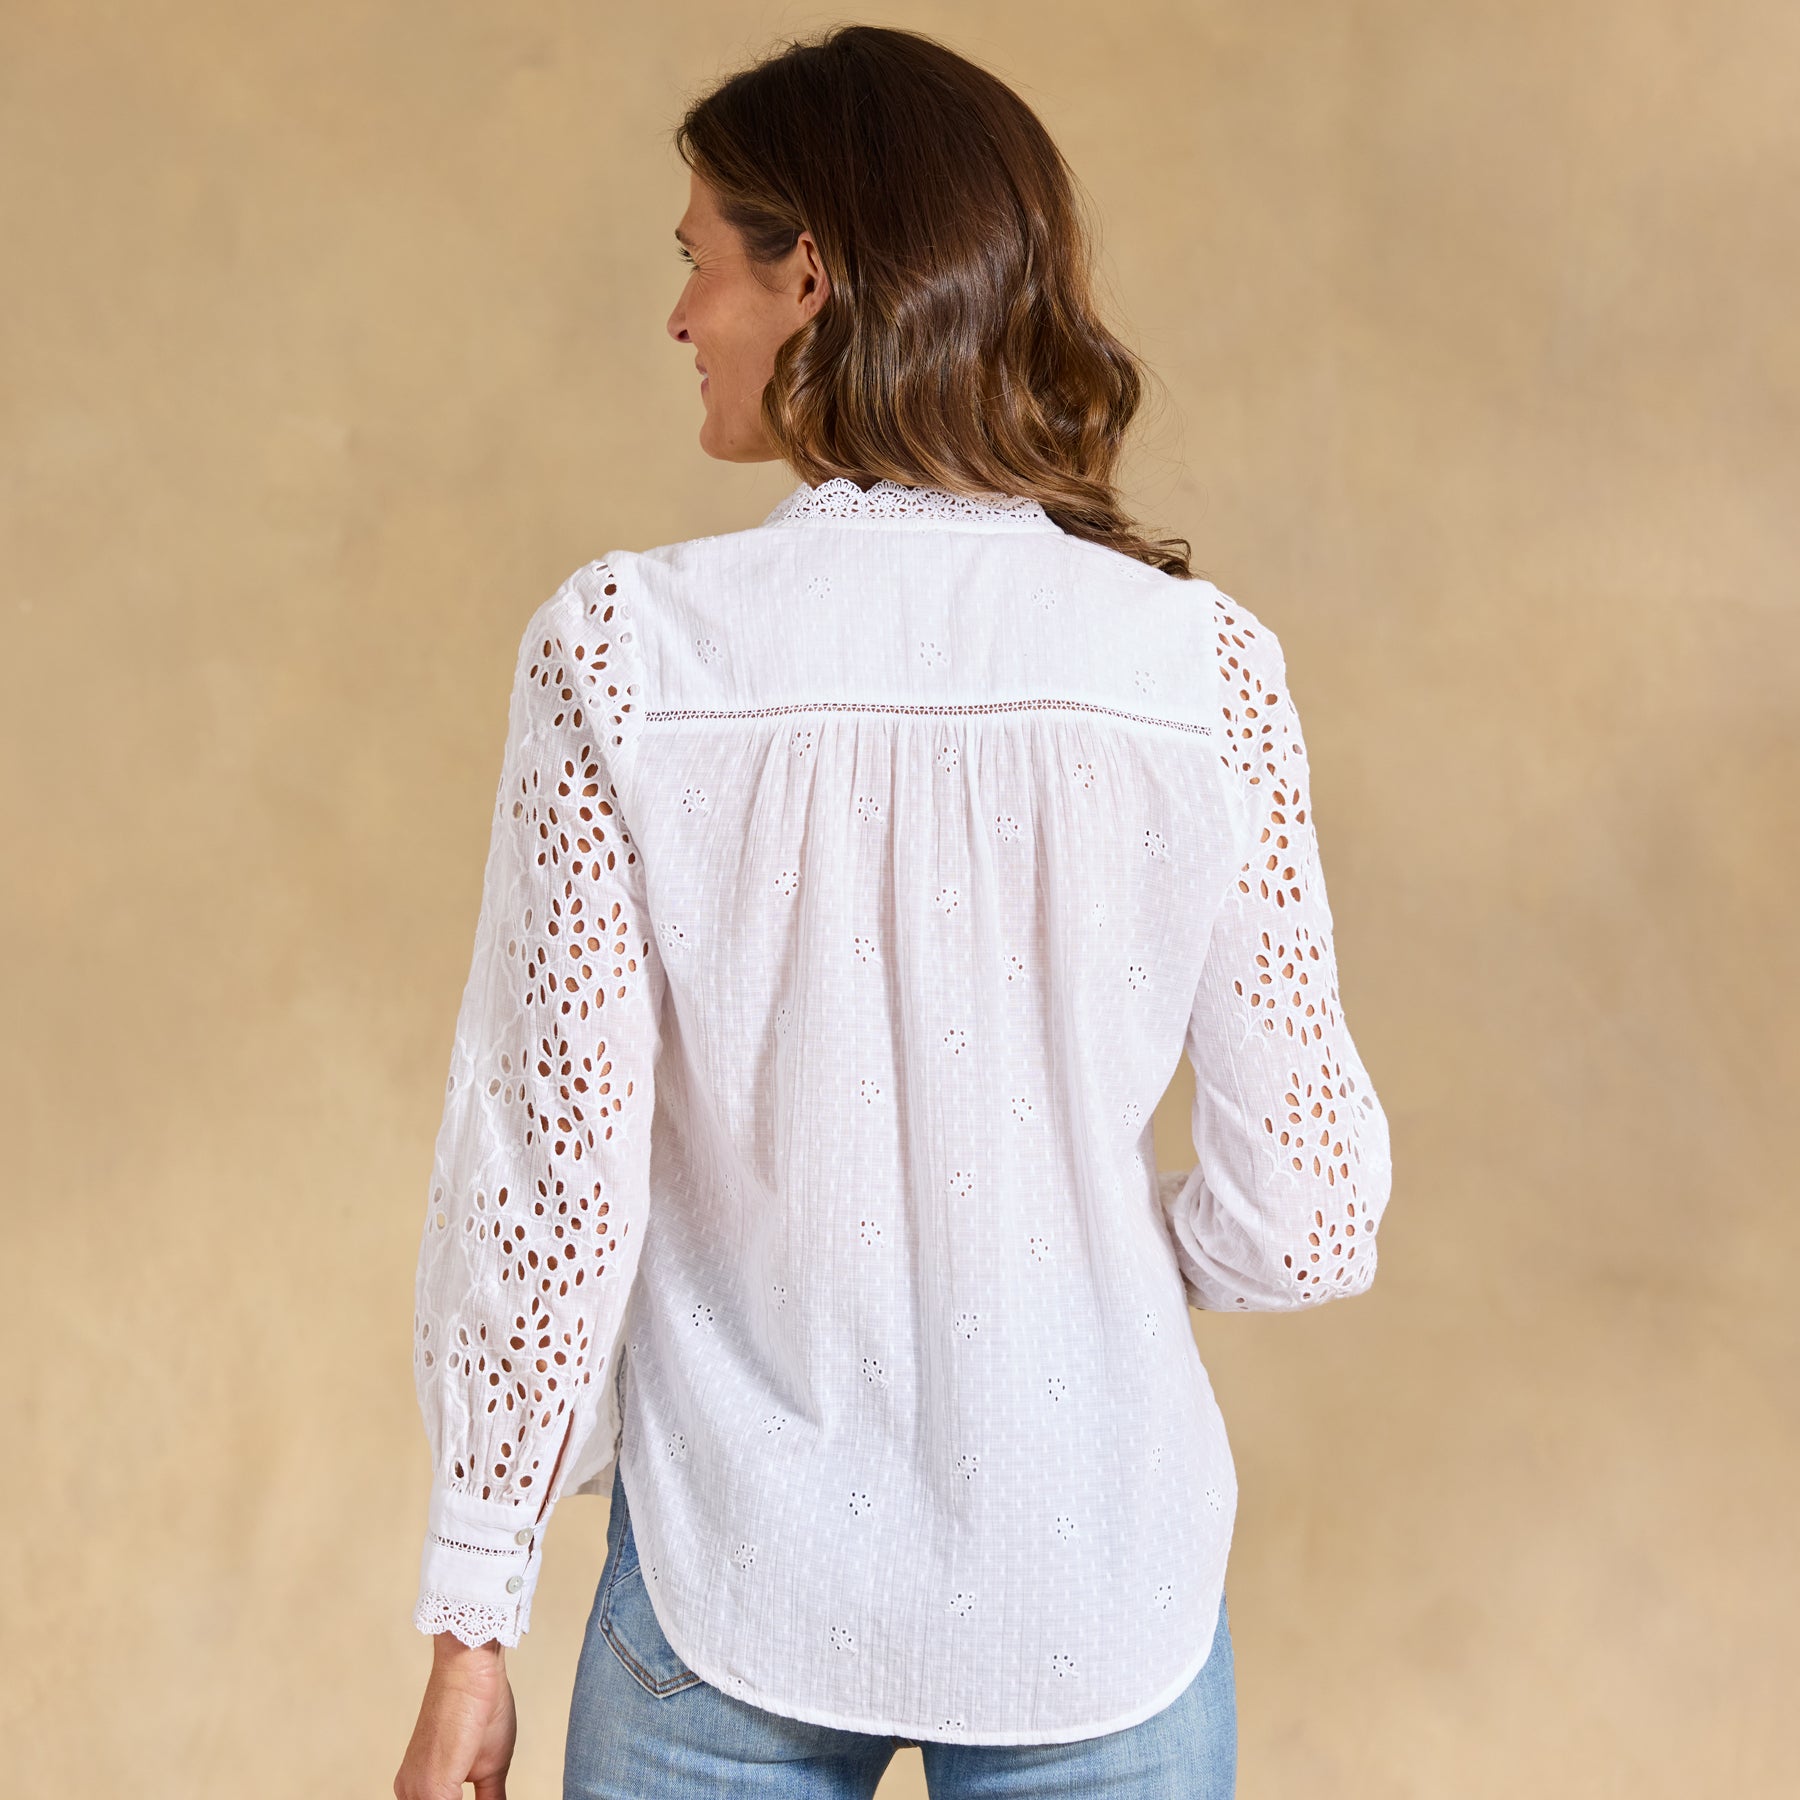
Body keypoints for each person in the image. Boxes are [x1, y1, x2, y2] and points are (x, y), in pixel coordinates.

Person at [394, 23, 1392, 1800]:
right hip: (1103, 1596)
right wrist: (1061, 1249)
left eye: (699, 260)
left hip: (727, 1588)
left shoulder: (626, 652)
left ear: (812, 277)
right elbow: (1301, 1218)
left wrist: (476, 1621)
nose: (680, 317)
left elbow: (553, 1187)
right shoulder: (1204, 670)